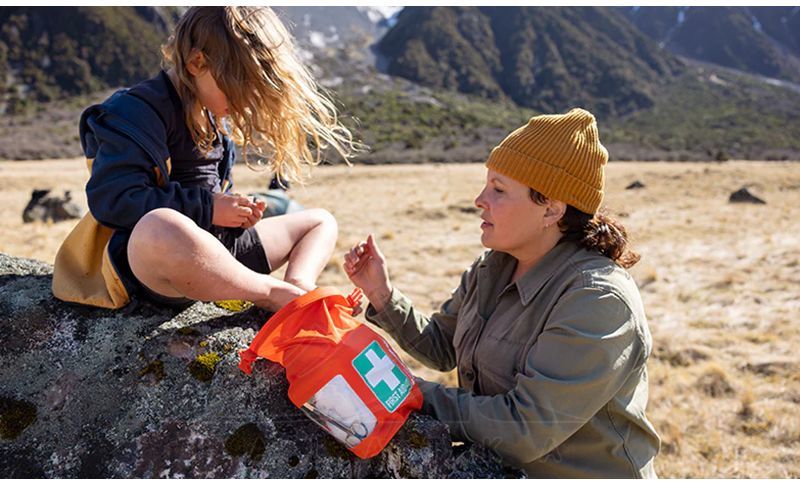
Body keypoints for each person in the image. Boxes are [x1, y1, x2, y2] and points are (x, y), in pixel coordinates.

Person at [344, 108, 660, 478]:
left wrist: (408, 393)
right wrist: (382, 294)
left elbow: (524, 428)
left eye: (499, 190)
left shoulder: (597, 300)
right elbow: (442, 348)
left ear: (551, 210)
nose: (480, 199)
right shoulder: (493, 268)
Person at [53, 7, 357, 311]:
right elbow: (114, 201)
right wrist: (209, 208)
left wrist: (235, 214)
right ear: (197, 62)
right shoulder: (134, 111)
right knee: (158, 226)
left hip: (219, 255)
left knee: (321, 221)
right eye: (240, 89)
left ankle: (299, 285)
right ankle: (270, 293)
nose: (246, 103)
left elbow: (209, 192)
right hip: (156, 265)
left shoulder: (214, 118)